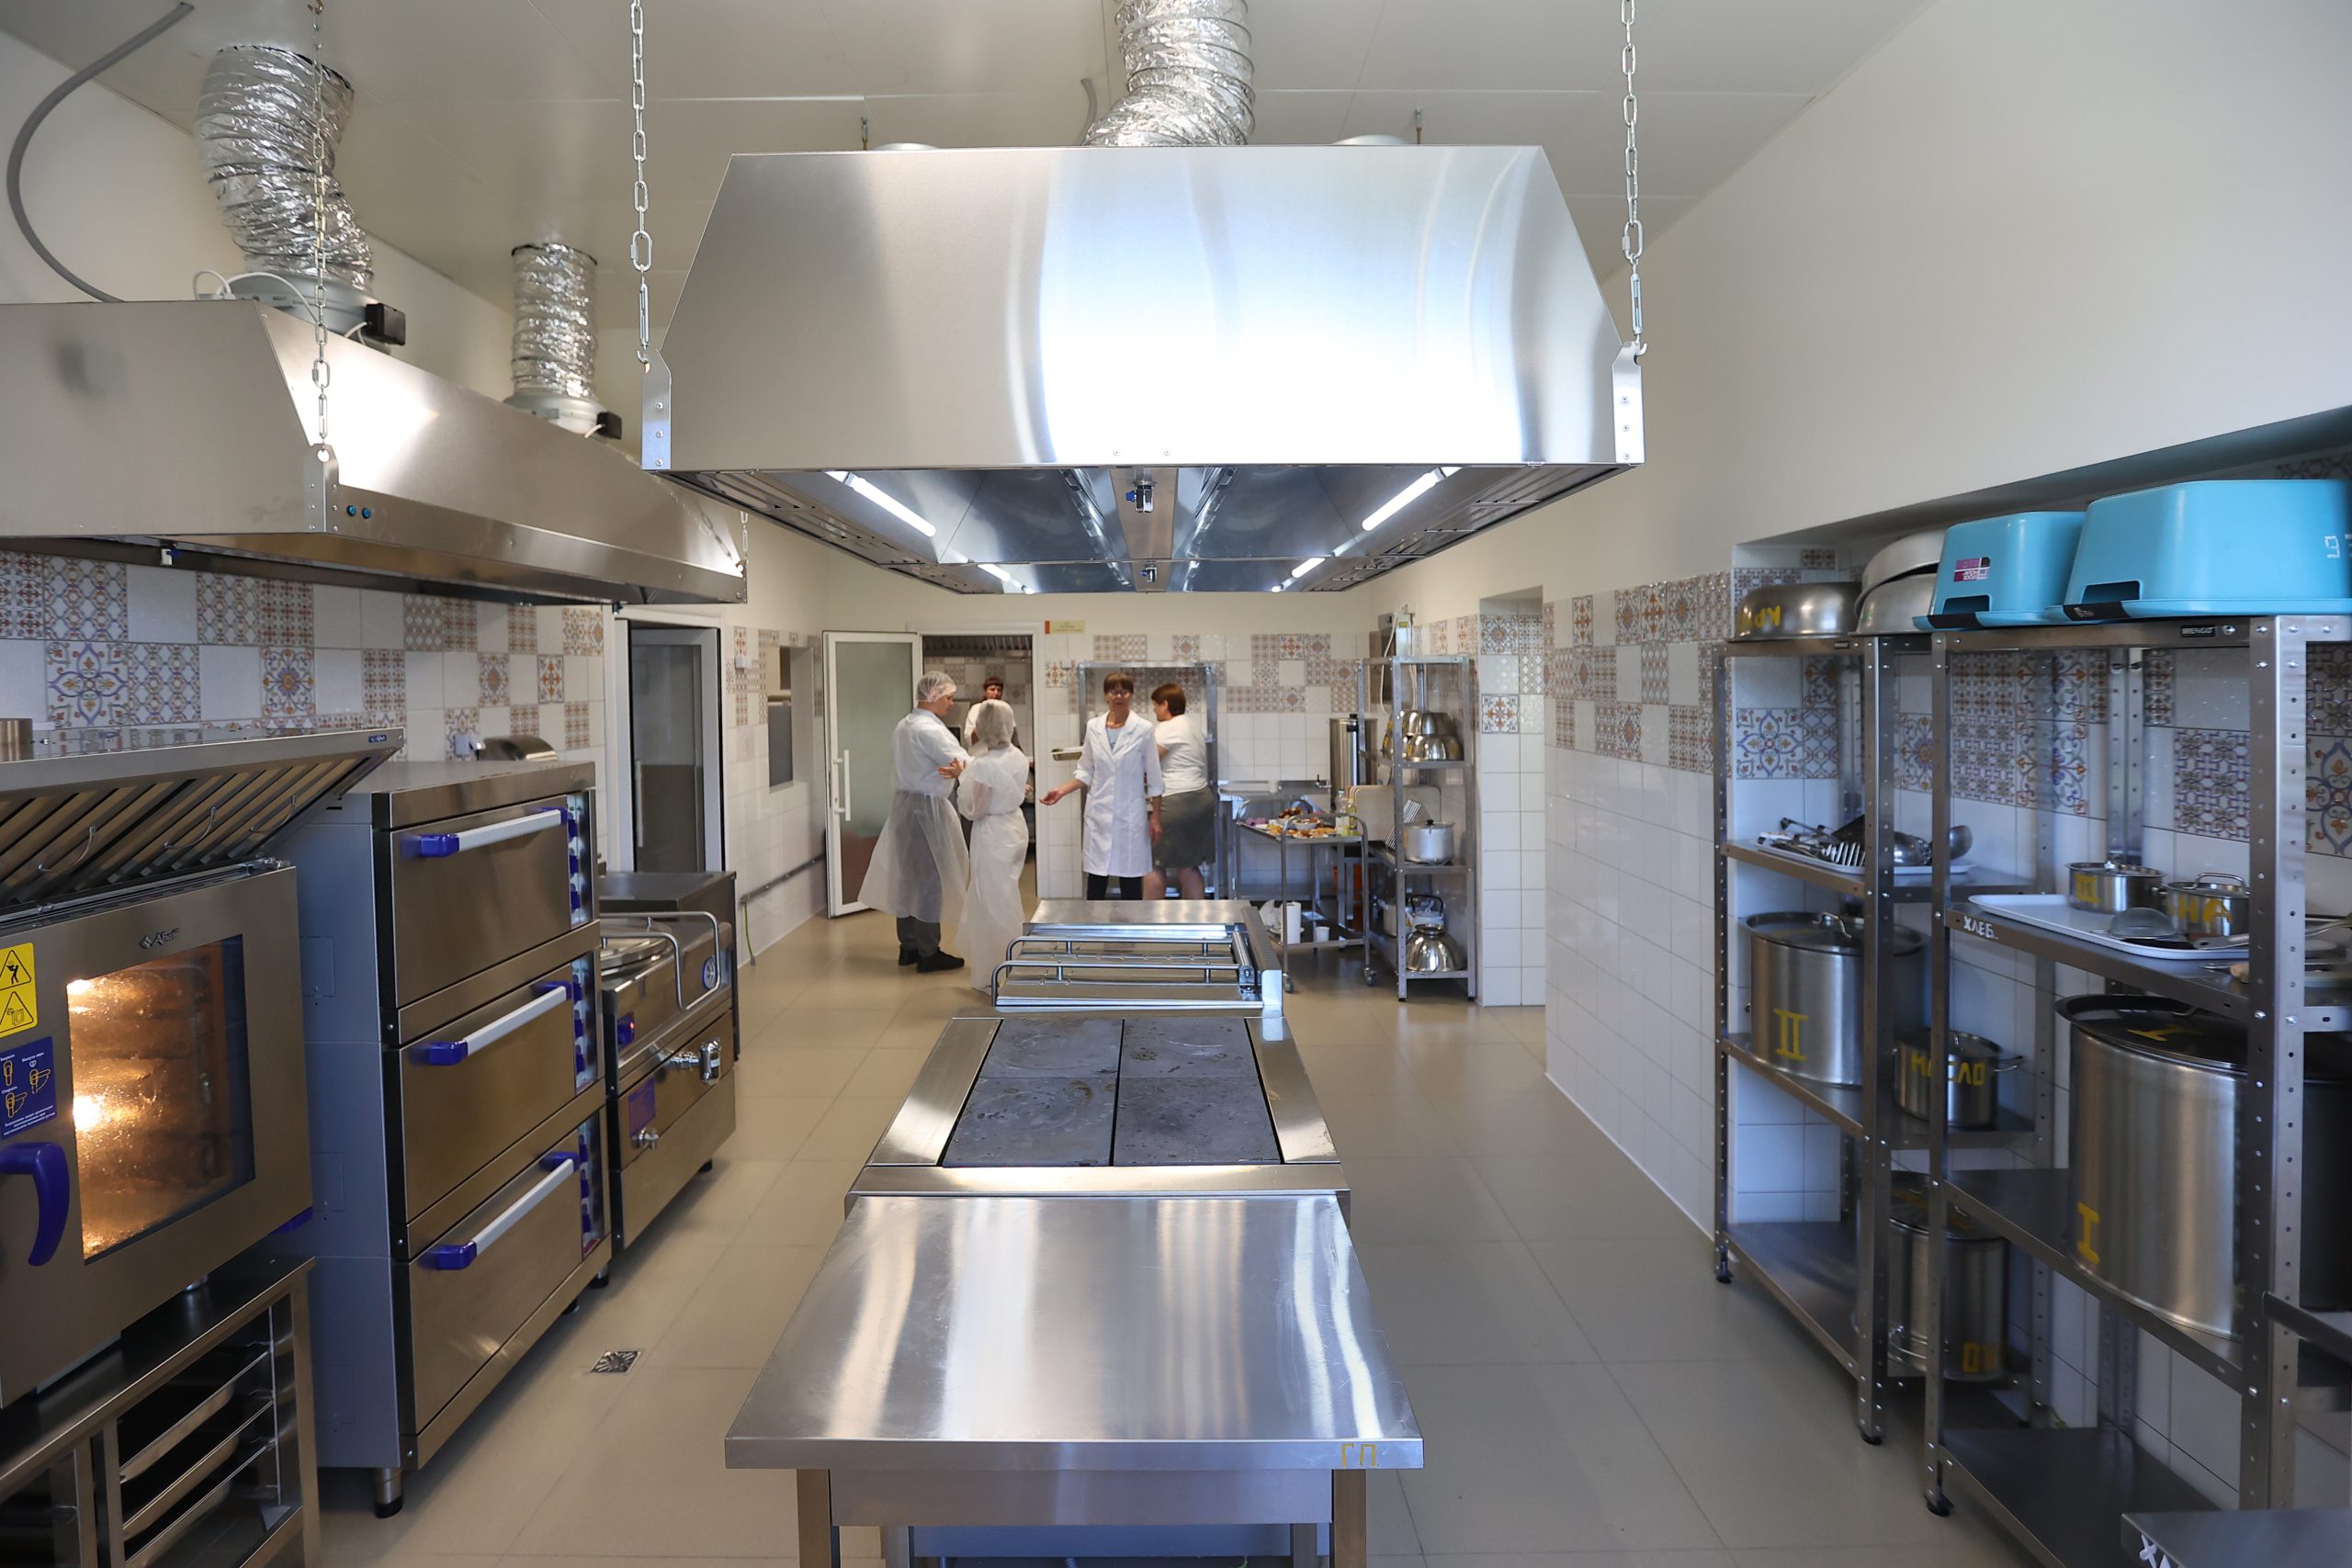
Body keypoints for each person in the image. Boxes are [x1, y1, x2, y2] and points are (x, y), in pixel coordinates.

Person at [862, 671, 970, 972]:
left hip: (904, 807)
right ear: (934, 696)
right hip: (927, 808)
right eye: (948, 697)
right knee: (929, 880)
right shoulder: (930, 730)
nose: (951, 703)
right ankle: (928, 951)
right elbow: (962, 762)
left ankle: (908, 946)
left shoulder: (904, 725)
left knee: (907, 877)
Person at [1040, 669, 1161, 900]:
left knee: (1130, 882)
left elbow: (1155, 778)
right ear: (1106, 696)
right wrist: (1061, 791)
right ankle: (1091, 922)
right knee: (1096, 881)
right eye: (1113, 692)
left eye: (1124, 692)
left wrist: (1155, 817)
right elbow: (1085, 770)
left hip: (1130, 816)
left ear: (1131, 695)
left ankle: (1130, 925)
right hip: (1099, 814)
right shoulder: (1093, 727)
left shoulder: (1144, 729)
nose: (1119, 696)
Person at [956, 698, 1030, 991]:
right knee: (1007, 895)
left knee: (990, 902)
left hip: (992, 833)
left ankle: (993, 970)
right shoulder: (1018, 756)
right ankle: (1014, 959)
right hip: (1014, 827)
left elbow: (976, 810)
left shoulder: (983, 765)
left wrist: (962, 778)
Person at [1145, 682, 1212, 900]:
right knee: (1188, 865)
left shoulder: (1168, 728)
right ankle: (1197, 918)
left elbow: (1148, 764)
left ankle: (1149, 918)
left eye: (1155, 705)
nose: (1154, 710)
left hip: (1177, 801)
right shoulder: (1192, 726)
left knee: (1154, 864)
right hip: (1200, 798)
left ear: (1165, 704)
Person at [960, 674, 1019, 749]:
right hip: (981, 752)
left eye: (999, 690)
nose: (996, 693)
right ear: (985, 691)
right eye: (992, 689)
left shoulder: (1006, 709)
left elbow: (1013, 735)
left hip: (1002, 751)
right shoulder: (976, 709)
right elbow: (969, 737)